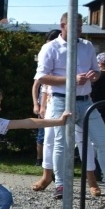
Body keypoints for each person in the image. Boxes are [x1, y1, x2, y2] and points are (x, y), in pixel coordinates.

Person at [34, 13, 105, 201]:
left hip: (86, 101)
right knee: (60, 144)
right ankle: (61, 186)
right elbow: (41, 77)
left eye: (80, 26)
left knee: (104, 142)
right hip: (60, 100)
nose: (79, 29)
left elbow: (95, 71)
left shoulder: (87, 46)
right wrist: (71, 79)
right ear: (62, 25)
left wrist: (94, 76)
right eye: (75, 26)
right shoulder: (50, 48)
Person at [31, 29, 60, 192]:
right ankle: (46, 172)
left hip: (58, 101)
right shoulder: (47, 54)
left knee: (61, 141)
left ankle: (58, 175)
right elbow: (40, 85)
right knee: (46, 138)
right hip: (48, 104)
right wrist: (38, 105)